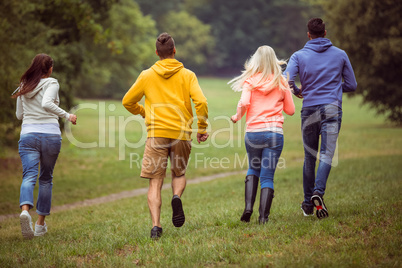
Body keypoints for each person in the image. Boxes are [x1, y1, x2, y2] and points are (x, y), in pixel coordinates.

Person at [122, 33, 209, 239]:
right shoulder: (188, 75)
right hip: (181, 133)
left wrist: (144, 112)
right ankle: (176, 196)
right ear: (174, 51)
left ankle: (156, 227)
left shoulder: (146, 75)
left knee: (155, 181)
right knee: (178, 173)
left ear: (156, 53)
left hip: (156, 134)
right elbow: (202, 102)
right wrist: (202, 127)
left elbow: (127, 101)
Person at [284, 18, 357, 219]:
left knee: (309, 156)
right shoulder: (340, 54)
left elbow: (286, 79)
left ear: (309, 35)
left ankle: (308, 204)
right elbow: (351, 85)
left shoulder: (298, 55)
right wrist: (333, 88)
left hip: (309, 109)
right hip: (332, 108)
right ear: (325, 33)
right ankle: (318, 192)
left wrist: (299, 90)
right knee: (327, 154)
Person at [13, 53, 77, 239]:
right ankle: (40, 225)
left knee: (28, 175)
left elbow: (19, 115)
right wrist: (67, 115)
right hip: (50, 135)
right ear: (49, 69)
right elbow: (46, 102)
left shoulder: (24, 86)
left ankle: (25, 210)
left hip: (28, 135)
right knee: (46, 178)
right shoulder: (52, 83)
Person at [229, 46, 295, 224]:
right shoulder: (281, 82)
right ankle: (263, 218)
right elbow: (291, 110)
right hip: (274, 133)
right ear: (274, 60)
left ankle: (248, 208)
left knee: (253, 168)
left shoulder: (250, 81)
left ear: (255, 61)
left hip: (253, 133)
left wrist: (237, 116)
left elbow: (244, 102)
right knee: (267, 176)